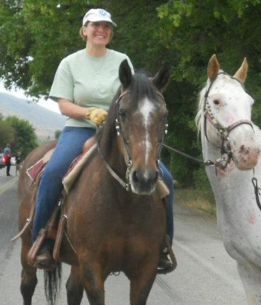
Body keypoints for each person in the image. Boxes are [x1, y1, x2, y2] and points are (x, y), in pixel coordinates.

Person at [32, 8, 174, 270]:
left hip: (120, 129)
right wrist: (88, 112)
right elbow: (63, 104)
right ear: (84, 30)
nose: (101, 30)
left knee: (165, 178)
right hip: (80, 128)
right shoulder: (70, 63)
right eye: (95, 25)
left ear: (110, 33)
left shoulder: (122, 60)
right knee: (52, 172)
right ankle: (43, 240)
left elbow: (135, 98)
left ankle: (163, 245)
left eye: (107, 27)